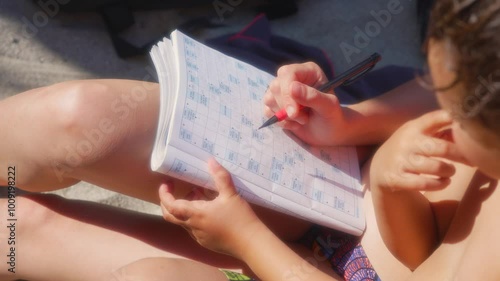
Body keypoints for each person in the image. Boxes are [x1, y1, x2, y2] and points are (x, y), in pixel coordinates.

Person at [120, 0, 500, 280]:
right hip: (337, 218)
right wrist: (363, 145)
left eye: (461, 114)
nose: (439, 119)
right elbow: (424, 255)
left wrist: (247, 238)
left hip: (291, 263)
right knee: (70, 120)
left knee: (145, 275)